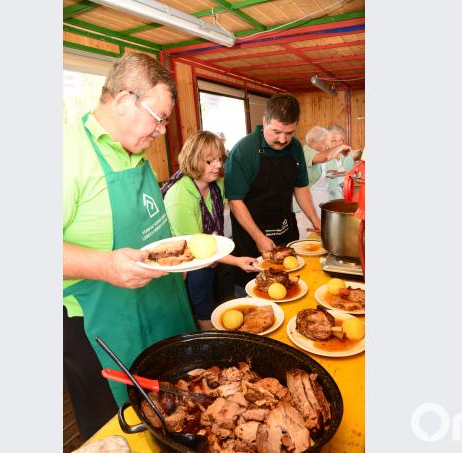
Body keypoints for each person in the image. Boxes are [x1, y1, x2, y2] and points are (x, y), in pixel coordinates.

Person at [62, 53, 196, 439]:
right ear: (124, 101)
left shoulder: (133, 149)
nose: (161, 130)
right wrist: (104, 266)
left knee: (178, 413)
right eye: (159, 118)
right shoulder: (67, 153)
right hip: (103, 325)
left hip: (162, 308)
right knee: (123, 430)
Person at [224, 93, 321, 294]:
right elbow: (235, 201)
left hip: (285, 230)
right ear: (264, 122)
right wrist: (259, 237)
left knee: (289, 284)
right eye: (276, 131)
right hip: (251, 236)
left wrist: (315, 219)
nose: (283, 139)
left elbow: (300, 187)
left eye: (289, 132)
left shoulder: (295, 147)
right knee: (254, 292)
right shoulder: (244, 151)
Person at [161, 131, 257, 328]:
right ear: (194, 160)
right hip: (188, 264)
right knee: (202, 301)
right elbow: (196, 249)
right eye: (209, 161)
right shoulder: (180, 196)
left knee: (218, 299)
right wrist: (236, 260)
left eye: (220, 159)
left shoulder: (216, 186)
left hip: (210, 256)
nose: (218, 165)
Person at [292, 125, 350, 239]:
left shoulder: (316, 152)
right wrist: (341, 146)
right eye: (324, 142)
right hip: (306, 208)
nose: (327, 145)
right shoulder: (306, 151)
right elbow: (325, 157)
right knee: (308, 240)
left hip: (318, 204)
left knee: (320, 239)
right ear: (313, 141)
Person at [324, 124, 361, 200]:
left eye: (340, 140)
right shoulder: (322, 157)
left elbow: (352, 172)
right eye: (333, 141)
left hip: (345, 196)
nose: (337, 144)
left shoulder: (346, 156)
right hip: (327, 199)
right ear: (326, 141)